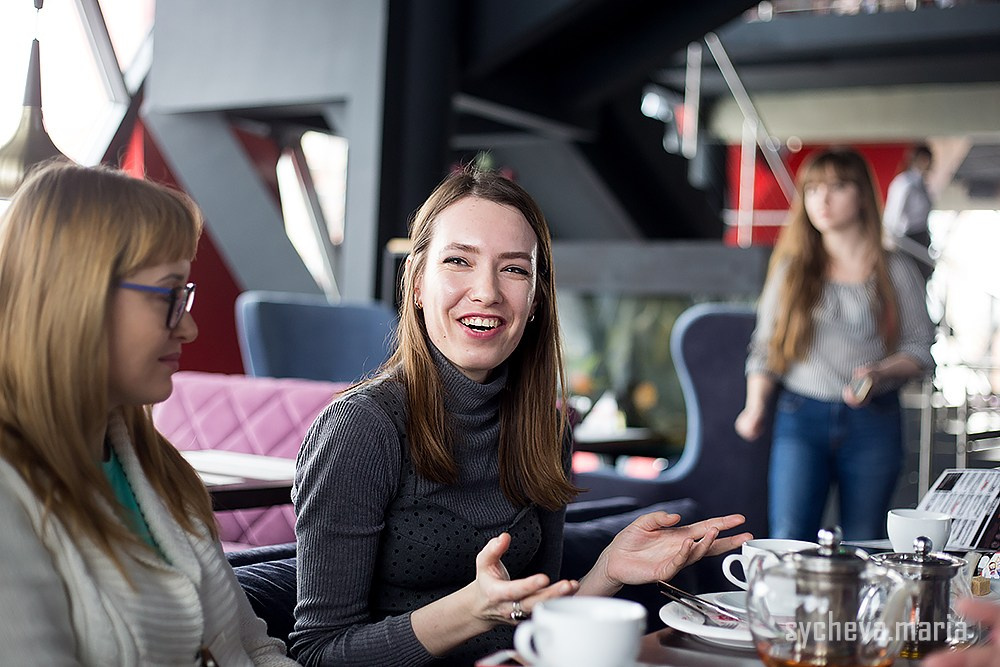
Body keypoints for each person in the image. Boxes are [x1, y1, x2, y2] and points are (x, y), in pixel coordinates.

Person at [291, 166, 751, 666]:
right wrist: (471, 610)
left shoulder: (545, 429)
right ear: (418, 284)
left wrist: (609, 569)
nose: (486, 291)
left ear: (534, 300)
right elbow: (318, 655)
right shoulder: (360, 429)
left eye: (514, 269)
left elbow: (534, 631)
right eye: (458, 261)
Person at [0, 162, 299, 666]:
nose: (190, 329)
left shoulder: (156, 466)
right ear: (79, 296)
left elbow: (254, 649)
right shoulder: (12, 491)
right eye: (169, 295)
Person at [734, 147, 935, 542]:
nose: (821, 200)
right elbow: (766, 347)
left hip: (874, 421)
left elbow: (921, 349)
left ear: (862, 195)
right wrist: (754, 406)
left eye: (837, 187)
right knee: (789, 539)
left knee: (865, 540)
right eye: (812, 190)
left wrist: (881, 373)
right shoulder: (793, 269)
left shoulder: (896, 269)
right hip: (800, 414)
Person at [883, 143, 935, 282]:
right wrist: (892, 239)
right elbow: (894, 213)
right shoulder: (905, 182)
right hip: (909, 238)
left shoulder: (921, 183)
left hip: (922, 235)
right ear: (923, 159)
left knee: (924, 275)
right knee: (910, 277)